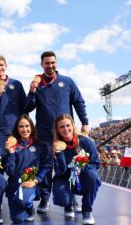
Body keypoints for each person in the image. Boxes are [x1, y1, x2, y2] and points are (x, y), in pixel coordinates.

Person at [26, 51, 89, 213]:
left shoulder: (67, 82)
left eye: (52, 62)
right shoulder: (37, 84)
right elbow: (28, 107)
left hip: (65, 134)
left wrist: (85, 122)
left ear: (56, 63)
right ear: (42, 65)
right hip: (45, 133)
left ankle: (72, 198)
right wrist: (32, 92)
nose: (50, 66)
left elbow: (79, 102)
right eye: (47, 63)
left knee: (69, 165)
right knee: (45, 166)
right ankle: (45, 199)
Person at [52, 114, 100, 225]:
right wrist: (58, 155)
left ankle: (87, 210)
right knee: (62, 199)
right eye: (62, 127)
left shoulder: (86, 142)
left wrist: (81, 168)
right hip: (64, 178)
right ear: (58, 130)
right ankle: (69, 203)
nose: (66, 129)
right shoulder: (56, 146)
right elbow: (60, 172)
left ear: (73, 126)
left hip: (82, 176)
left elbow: (96, 163)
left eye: (68, 125)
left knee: (93, 177)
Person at [4, 114, 51, 224]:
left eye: (27, 126)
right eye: (21, 126)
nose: (24, 129)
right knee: (18, 219)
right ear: (17, 128)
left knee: (24, 201)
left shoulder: (39, 144)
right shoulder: (12, 145)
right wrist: (10, 153)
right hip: (15, 185)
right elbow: (9, 171)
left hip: (31, 183)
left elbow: (46, 165)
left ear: (32, 127)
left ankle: (29, 205)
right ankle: (24, 204)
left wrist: (36, 180)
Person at [0, 55, 27, 153]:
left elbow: (25, 107)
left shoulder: (17, 84)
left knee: (17, 159)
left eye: (1, 65)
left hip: (16, 129)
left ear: (6, 66)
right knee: (0, 159)